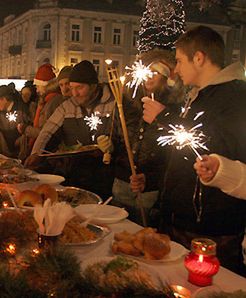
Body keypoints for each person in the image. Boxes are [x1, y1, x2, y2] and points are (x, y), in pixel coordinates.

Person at [142, 26, 246, 275]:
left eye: (179, 60)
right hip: (183, 219)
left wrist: (164, 118)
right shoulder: (199, 96)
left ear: (199, 58)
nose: (175, 69)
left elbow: (219, 150)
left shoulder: (235, 96)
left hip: (210, 231)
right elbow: (180, 152)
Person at [98, 49, 184, 225]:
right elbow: (114, 135)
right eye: (147, 71)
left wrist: (151, 180)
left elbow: (175, 157)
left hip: (150, 190)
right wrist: (107, 145)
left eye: (156, 73)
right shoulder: (125, 104)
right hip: (121, 182)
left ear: (166, 78)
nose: (149, 77)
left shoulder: (172, 110)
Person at [25, 60, 115, 200]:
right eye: (72, 87)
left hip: (104, 176)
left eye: (79, 88)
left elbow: (123, 135)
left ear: (93, 86)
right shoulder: (68, 106)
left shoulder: (113, 104)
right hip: (75, 173)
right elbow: (47, 132)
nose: (74, 93)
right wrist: (36, 153)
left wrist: (112, 145)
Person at [16, 63, 61, 160]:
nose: (36, 90)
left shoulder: (53, 102)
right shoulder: (45, 101)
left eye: (38, 86)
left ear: (45, 85)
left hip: (46, 153)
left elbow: (46, 132)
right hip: (42, 150)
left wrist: (26, 129)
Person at [0, 85, 28, 157]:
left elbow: (28, 129)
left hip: (20, 153)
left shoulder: (21, 109)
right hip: (4, 152)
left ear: (5, 99)